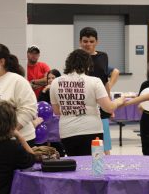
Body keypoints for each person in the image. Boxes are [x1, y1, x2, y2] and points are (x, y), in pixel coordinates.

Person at [50, 49, 125, 156]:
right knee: (94, 165)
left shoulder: (55, 82)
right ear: (88, 65)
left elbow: (57, 111)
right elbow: (108, 108)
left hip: (67, 132)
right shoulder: (95, 81)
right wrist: (118, 101)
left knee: (75, 165)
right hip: (92, 131)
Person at [79, 27, 113, 155]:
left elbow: (105, 82)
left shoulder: (103, 56)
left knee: (104, 144)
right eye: (85, 41)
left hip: (101, 102)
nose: (88, 44)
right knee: (87, 143)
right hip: (85, 105)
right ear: (80, 42)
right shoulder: (76, 58)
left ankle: (105, 171)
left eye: (91, 41)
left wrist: (109, 104)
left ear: (97, 42)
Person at [102, 66, 120, 155]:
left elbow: (116, 71)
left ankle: (108, 160)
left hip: (101, 107)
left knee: (105, 142)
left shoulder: (100, 63)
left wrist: (109, 86)